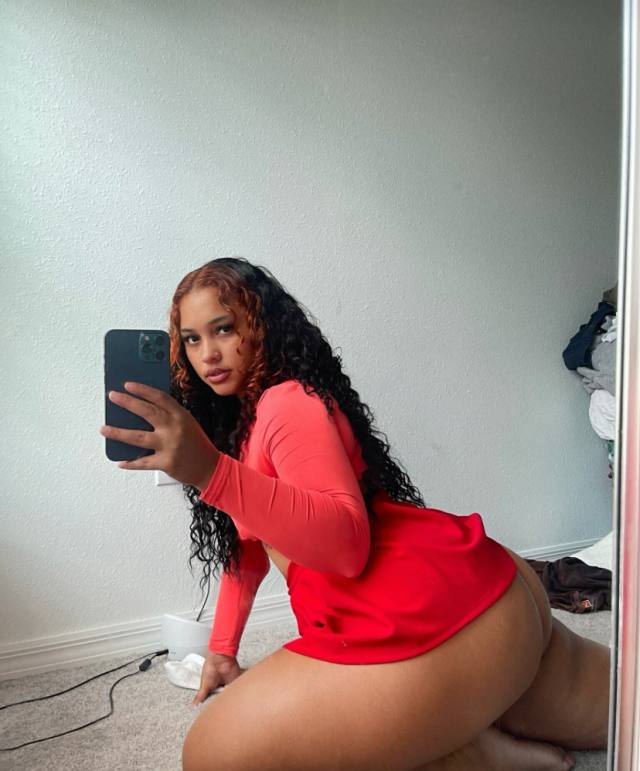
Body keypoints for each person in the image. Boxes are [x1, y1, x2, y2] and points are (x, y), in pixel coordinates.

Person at [100, 257, 610, 771]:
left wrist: (211, 472)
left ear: (262, 325)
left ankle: (468, 752)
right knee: (623, 702)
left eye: (224, 329)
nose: (208, 354)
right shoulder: (245, 422)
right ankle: (463, 732)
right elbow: (247, 552)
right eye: (191, 340)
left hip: (430, 620)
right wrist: (223, 649)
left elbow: (345, 547)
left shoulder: (285, 403)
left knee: (213, 755)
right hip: (486, 594)